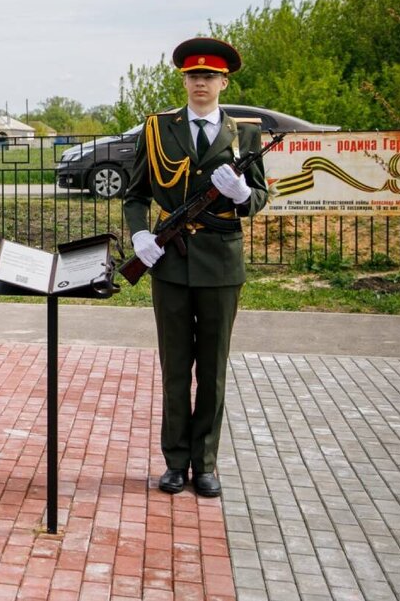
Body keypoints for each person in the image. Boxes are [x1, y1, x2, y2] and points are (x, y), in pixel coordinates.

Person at [123, 37, 268, 498]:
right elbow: (135, 194)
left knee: (213, 369)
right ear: (184, 80)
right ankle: (174, 461)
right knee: (175, 368)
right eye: (192, 76)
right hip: (170, 264)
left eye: (208, 76)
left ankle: (204, 464)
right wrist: (140, 234)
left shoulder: (245, 134)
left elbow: (261, 196)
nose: (200, 82)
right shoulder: (157, 129)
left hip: (222, 265)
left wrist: (244, 195)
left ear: (224, 82)